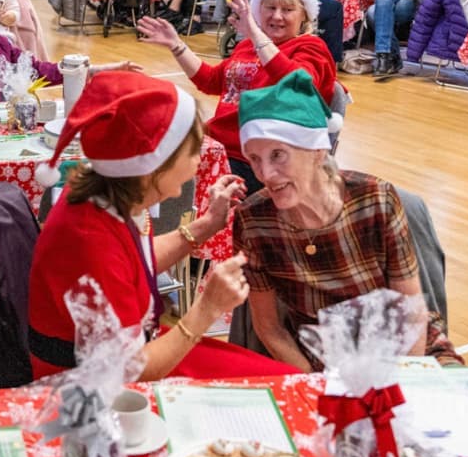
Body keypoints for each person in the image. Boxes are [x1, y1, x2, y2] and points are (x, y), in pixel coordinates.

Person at [28, 72, 295, 381]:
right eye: (191, 151)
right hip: (86, 384)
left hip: (134, 349)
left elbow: (133, 262)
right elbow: (132, 371)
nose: (199, 160)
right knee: (273, 384)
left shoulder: (106, 200)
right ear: (151, 166)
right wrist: (207, 309)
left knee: (275, 376)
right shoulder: (89, 240)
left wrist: (206, 225)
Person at [233, 69, 461, 370]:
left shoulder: (376, 200)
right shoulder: (254, 221)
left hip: (405, 347)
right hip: (321, 360)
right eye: (254, 159)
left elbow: (411, 312)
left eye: (278, 155)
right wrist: (317, 388)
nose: (265, 175)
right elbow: (270, 329)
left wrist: (400, 386)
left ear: (317, 151)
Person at [138, 0, 337, 191]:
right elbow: (211, 81)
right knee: (149, 156)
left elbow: (297, 85)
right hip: (217, 145)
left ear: (304, 17)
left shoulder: (311, 48)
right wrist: (177, 46)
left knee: (169, 182)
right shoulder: (247, 45)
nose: (277, 16)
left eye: (288, 10)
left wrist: (255, 35)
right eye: (270, 8)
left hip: (259, 158)